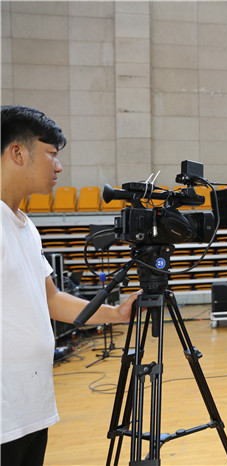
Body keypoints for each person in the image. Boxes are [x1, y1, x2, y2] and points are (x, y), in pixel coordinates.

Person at [1, 105, 141, 465]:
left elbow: (52, 299)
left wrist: (115, 313)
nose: (59, 166)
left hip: (31, 407)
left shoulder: (25, 226)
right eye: (51, 154)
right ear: (17, 153)